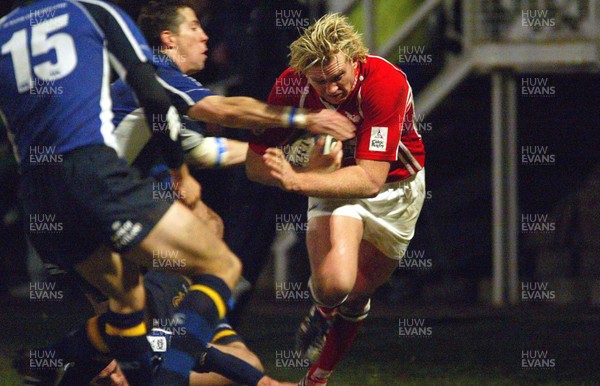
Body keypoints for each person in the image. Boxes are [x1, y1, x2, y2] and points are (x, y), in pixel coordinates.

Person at [0, 1, 243, 384]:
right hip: (98, 188)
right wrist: (182, 168)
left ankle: (50, 363)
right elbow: (167, 101)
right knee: (217, 266)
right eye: (194, 27)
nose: (204, 35)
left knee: (128, 312)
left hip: (43, 194)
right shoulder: (103, 21)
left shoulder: (6, 31)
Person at [246, 13, 426, 386]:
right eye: (319, 82)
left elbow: (370, 180)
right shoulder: (291, 85)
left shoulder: (385, 83)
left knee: (359, 295)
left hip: (395, 190)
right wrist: (296, 163)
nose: (330, 90)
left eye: (337, 77)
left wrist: (297, 178)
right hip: (331, 181)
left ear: (354, 59)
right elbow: (253, 164)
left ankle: (316, 377)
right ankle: (324, 312)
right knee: (334, 285)